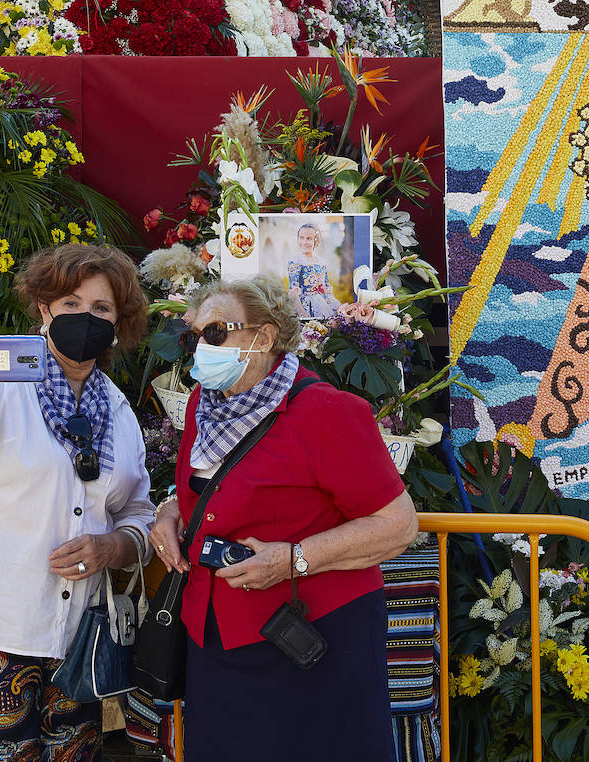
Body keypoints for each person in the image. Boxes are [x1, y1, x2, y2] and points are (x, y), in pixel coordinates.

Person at [150, 275, 418, 762]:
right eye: (194, 337)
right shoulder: (201, 406)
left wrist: (294, 559)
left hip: (310, 639)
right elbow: (210, 488)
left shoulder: (326, 411)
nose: (199, 349)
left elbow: (397, 524)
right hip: (215, 636)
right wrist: (170, 513)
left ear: (264, 337)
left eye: (215, 334)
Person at [0, 244, 154, 762]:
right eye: (70, 303)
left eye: (101, 309)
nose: (85, 318)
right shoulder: (1, 384)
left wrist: (113, 546)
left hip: (75, 637)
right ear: (44, 308)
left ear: (118, 323)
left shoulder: (119, 412)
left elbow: (138, 510)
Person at [286, 222, 342, 318]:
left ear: (315, 241)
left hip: (323, 301)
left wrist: (333, 304)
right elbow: (293, 291)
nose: (304, 242)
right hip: (306, 305)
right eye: (301, 237)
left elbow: (327, 286)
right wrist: (302, 312)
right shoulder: (296, 262)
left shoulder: (321, 262)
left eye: (309, 238)